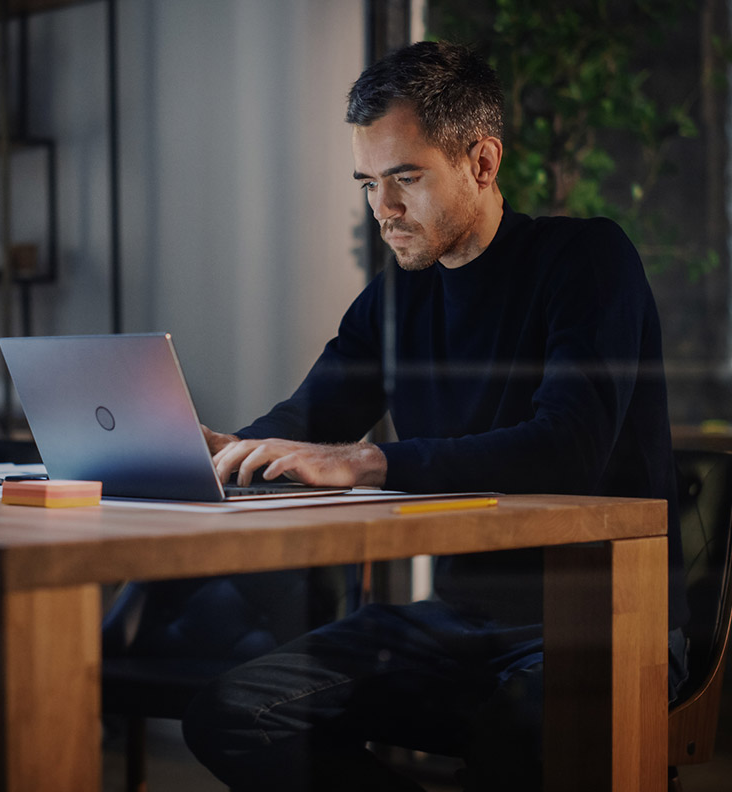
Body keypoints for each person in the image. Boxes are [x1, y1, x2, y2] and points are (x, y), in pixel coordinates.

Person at [180, 41, 689, 792]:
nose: (382, 210)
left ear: (483, 163)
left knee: (515, 725)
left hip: (603, 619)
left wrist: (371, 461)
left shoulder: (587, 260)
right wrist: (224, 450)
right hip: (460, 622)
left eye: (405, 179)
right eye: (368, 183)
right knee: (231, 712)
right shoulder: (397, 296)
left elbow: (568, 447)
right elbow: (306, 418)